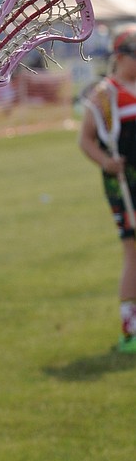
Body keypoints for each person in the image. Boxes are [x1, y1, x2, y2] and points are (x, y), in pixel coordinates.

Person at [79, 27, 136, 353]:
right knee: (133, 251)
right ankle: (130, 331)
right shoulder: (105, 93)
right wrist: (106, 162)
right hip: (125, 183)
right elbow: (86, 139)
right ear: (121, 56)